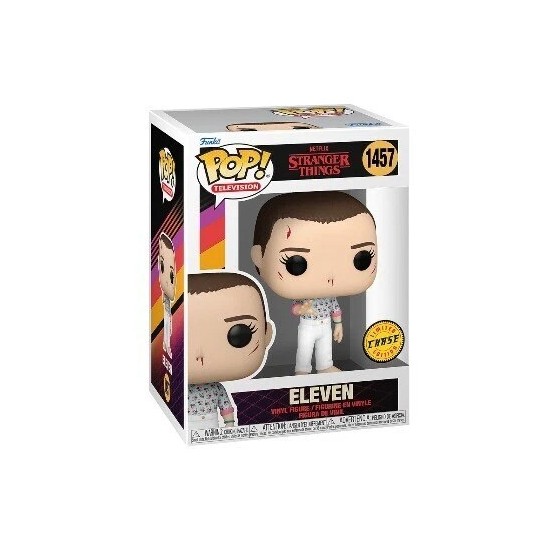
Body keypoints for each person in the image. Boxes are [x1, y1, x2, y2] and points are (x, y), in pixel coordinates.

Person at [251, 191, 377, 375]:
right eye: (296, 263)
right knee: (305, 348)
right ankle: (302, 370)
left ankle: (325, 366)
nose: (330, 277)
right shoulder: (305, 297)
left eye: (362, 259)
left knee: (325, 347)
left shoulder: (330, 296)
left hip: (325, 324)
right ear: (259, 258)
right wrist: (301, 310)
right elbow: (295, 308)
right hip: (308, 325)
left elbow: (335, 309)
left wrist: (338, 325)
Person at [188, 272, 274, 429]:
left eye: (239, 335)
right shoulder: (181, 389)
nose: (201, 357)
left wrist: (229, 425)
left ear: (266, 335)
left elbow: (226, 406)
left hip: (211, 422)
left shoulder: (217, 389)